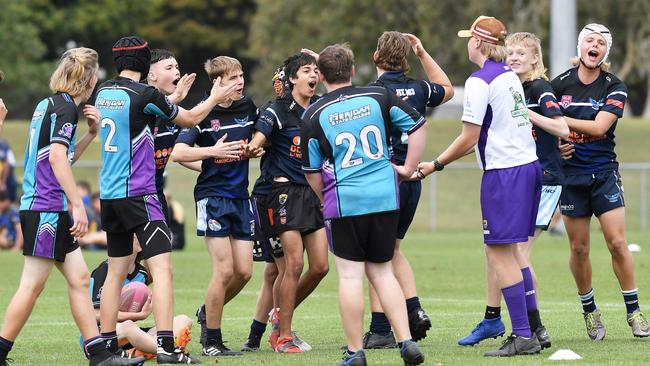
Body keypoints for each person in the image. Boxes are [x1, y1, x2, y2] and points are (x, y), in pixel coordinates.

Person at [94, 35, 238, 365]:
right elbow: (188, 119)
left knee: (116, 271)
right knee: (163, 270)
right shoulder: (146, 94)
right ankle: (166, 348)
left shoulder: (105, 93)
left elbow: (145, 114)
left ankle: (106, 347)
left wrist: (172, 97)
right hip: (141, 194)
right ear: (145, 65)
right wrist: (214, 97)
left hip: (110, 195)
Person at [0, 47, 143, 366]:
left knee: (79, 279)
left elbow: (59, 156)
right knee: (32, 286)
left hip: (46, 208)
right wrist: (77, 205)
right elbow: (54, 159)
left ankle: (99, 354)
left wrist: (91, 134)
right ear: (91, 79)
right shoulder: (65, 109)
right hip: (46, 209)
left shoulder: (48, 104)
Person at [418, 16, 542, 356]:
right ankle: (534, 329)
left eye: (469, 38)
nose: (467, 44)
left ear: (478, 42)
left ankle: (523, 335)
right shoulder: (509, 75)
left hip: (505, 174)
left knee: (498, 252)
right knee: (514, 252)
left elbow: (469, 138)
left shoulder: (480, 80)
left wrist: (435, 164)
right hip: (527, 167)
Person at [302, 43, 427, 366]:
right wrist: (408, 168)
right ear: (354, 70)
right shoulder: (378, 96)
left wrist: (324, 199)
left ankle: (356, 351)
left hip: (346, 201)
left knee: (350, 277)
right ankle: (406, 342)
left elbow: (312, 172)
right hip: (385, 196)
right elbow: (417, 126)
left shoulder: (313, 114)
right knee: (383, 273)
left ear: (322, 75)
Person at [456, 31, 570, 348]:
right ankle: (495, 318)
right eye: (512, 51)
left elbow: (562, 127)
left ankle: (533, 328)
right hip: (522, 172)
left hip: (540, 178)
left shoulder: (538, 88)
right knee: (500, 251)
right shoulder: (507, 82)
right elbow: (485, 133)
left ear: (536, 58)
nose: (514, 57)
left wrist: (526, 112)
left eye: (522, 53)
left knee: (513, 253)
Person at [552, 23, 650, 340]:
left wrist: (559, 121)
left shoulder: (615, 86)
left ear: (605, 52)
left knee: (617, 243)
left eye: (600, 43)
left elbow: (598, 127)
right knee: (579, 249)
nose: (594, 46)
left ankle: (634, 311)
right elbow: (541, 130)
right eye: (589, 41)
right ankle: (590, 312)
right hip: (571, 177)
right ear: (580, 48)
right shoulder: (558, 85)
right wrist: (557, 142)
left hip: (603, 174)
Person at [362, 31, 454, 348]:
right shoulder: (417, 88)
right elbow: (448, 89)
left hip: (386, 178)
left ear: (376, 58)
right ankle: (411, 310)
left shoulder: (372, 93)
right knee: (392, 251)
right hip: (413, 178)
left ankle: (381, 329)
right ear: (405, 60)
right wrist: (423, 52)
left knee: (376, 256)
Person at [171, 55, 260, 357]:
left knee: (244, 272)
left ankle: (206, 311)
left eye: (241, 76)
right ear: (217, 83)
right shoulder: (203, 113)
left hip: (240, 197)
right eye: (233, 78)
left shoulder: (248, 108)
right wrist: (212, 152)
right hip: (213, 198)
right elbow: (179, 152)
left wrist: (254, 149)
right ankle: (212, 340)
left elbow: (259, 143)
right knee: (223, 271)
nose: (240, 82)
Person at [247, 51, 329, 353]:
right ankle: (283, 336)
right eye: (307, 70)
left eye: (316, 71)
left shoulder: (321, 107)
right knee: (292, 265)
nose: (313, 76)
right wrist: (253, 147)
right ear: (292, 78)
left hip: (311, 193)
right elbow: (259, 137)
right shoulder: (276, 110)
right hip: (281, 194)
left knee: (320, 267)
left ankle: (280, 314)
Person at [88, 240, 193, 359]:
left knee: (184, 320)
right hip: (101, 336)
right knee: (128, 326)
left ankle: (139, 351)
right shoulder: (104, 270)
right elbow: (94, 315)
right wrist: (139, 315)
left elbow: (162, 272)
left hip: (132, 335)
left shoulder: (141, 273)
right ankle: (168, 351)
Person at [146, 48, 202, 223]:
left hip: (157, 193)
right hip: (133, 195)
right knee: (134, 249)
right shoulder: (138, 101)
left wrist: (218, 167)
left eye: (177, 67)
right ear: (152, 75)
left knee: (162, 248)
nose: (177, 71)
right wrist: (215, 98)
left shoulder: (173, 115)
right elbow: (145, 112)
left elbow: (179, 153)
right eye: (169, 68)